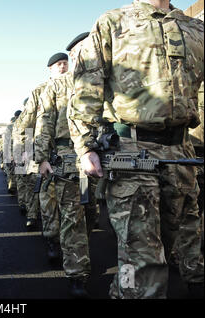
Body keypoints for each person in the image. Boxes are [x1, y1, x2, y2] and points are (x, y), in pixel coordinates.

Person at [68, 0, 204, 298]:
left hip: (181, 152)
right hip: (131, 151)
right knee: (145, 258)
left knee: (166, 245)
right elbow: (88, 82)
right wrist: (85, 144)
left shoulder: (195, 28)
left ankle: (124, 289)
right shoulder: (113, 22)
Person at [34, 35, 96, 298]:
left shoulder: (99, 78)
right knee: (72, 217)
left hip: (102, 153)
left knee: (93, 214)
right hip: (67, 154)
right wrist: (41, 157)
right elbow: (44, 121)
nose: (62, 66)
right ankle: (77, 274)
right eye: (58, 62)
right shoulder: (56, 87)